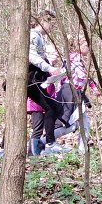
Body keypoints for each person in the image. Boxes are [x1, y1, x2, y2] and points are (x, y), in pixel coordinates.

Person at [28, 10, 70, 155]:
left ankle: (47, 144)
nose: (52, 27)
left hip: (36, 80)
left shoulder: (40, 37)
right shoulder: (33, 35)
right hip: (30, 80)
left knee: (52, 107)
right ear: (43, 21)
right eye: (51, 23)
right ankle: (49, 144)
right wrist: (49, 68)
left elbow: (40, 56)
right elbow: (32, 56)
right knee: (51, 107)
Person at [51, 34, 98, 154]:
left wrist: (93, 88)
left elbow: (85, 77)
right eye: (87, 45)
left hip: (75, 92)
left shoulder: (77, 59)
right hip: (69, 93)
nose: (89, 48)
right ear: (79, 46)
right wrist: (93, 87)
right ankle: (45, 140)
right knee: (69, 123)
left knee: (84, 122)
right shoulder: (73, 58)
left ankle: (83, 150)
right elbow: (82, 75)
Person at [26, 44, 60, 156]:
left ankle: (38, 151)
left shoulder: (48, 67)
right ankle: (32, 153)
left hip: (43, 102)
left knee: (41, 127)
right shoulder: (41, 65)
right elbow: (37, 84)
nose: (56, 55)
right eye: (54, 52)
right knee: (38, 128)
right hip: (35, 104)